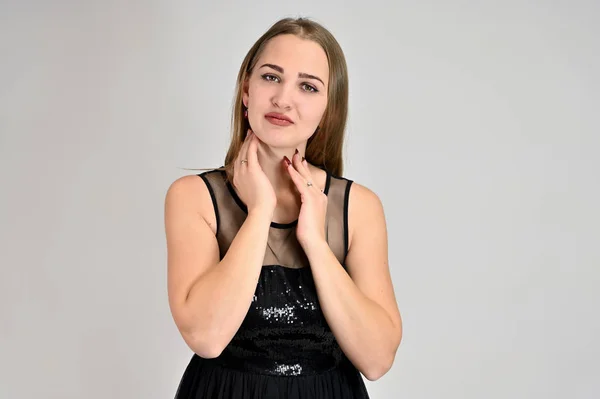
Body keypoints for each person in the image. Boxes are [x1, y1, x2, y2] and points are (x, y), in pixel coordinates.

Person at [164, 16, 402, 399]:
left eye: (308, 86)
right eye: (271, 77)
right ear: (246, 90)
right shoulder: (193, 197)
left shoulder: (359, 207)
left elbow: (377, 359)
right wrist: (260, 212)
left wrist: (315, 242)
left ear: (328, 110)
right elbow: (206, 338)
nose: (283, 99)